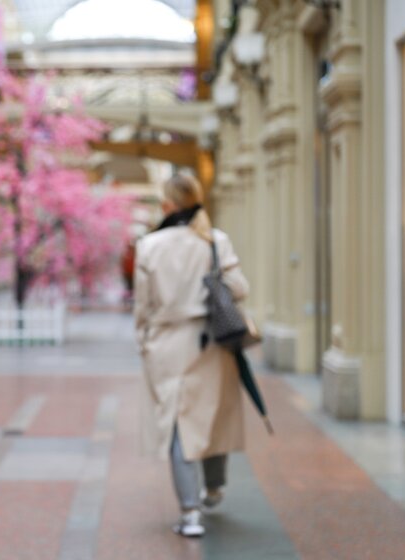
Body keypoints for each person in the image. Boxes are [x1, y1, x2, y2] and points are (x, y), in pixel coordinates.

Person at [133, 174, 249, 538]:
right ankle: (214, 488)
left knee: (178, 424)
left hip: (167, 342)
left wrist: (145, 343)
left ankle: (190, 513)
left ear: (167, 204)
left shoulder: (149, 245)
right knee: (210, 415)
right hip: (211, 339)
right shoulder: (215, 240)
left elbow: (143, 305)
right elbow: (240, 288)